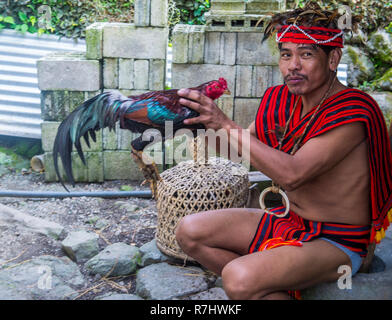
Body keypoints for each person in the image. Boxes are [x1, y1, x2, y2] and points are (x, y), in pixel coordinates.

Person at [175, 2, 392, 300]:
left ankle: (257, 282)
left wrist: (224, 122)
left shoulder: (354, 109)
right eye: (286, 54)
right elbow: (237, 150)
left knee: (237, 278)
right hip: (288, 220)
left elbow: (292, 174)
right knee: (189, 231)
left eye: (306, 54)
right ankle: (270, 286)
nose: (293, 66)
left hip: (337, 240)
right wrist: (192, 122)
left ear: (333, 58)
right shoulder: (280, 100)